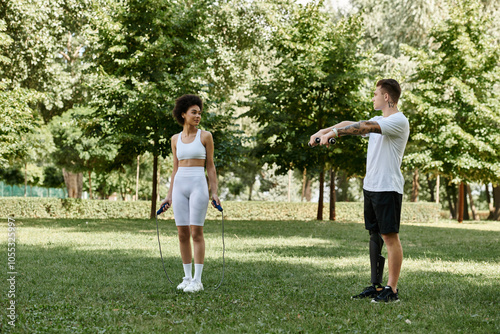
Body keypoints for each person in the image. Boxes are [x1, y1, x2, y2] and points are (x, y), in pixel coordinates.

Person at [309, 79, 409, 303]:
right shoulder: (378, 119)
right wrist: (324, 131)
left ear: (386, 97)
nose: (372, 97)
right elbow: (352, 123)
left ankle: (392, 289)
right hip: (371, 186)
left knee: (390, 237)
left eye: (375, 94)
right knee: (375, 234)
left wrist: (333, 132)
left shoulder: (398, 121)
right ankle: (377, 285)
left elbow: (363, 128)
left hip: (388, 187)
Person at [159, 94, 221, 293]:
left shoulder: (205, 136)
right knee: (182, 233)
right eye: (193, 112)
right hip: (179, 187)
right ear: (183, 114)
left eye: (199, 113)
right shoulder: (175, 139)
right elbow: (175, 168)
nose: (198, 116)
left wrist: (215, 192)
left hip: (198, 186)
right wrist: (168, 195)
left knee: (196, 232)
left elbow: (210, 167)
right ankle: (186, 278)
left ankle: (198, 280)